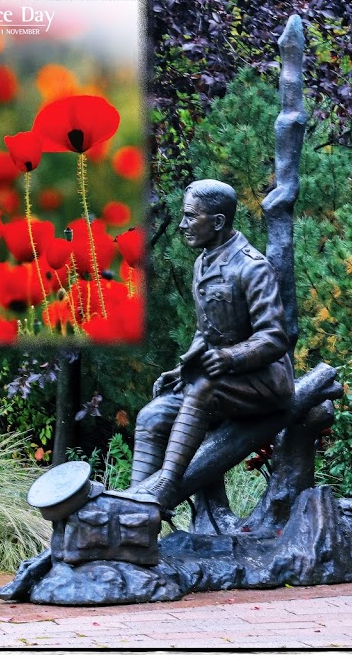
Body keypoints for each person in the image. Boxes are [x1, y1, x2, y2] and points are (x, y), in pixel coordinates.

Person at [129, 179, 294, 507]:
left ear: (217, 222)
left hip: (266, 382)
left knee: (202, 386)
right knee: (151, 415)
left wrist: (228, 359)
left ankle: (165, 487)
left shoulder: (252, 267)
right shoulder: (203, 262)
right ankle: (133, 505)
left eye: (191, 216)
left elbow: (275, 338)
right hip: (222, 381)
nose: (182, 224)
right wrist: (182, 368)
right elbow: (207, 330)